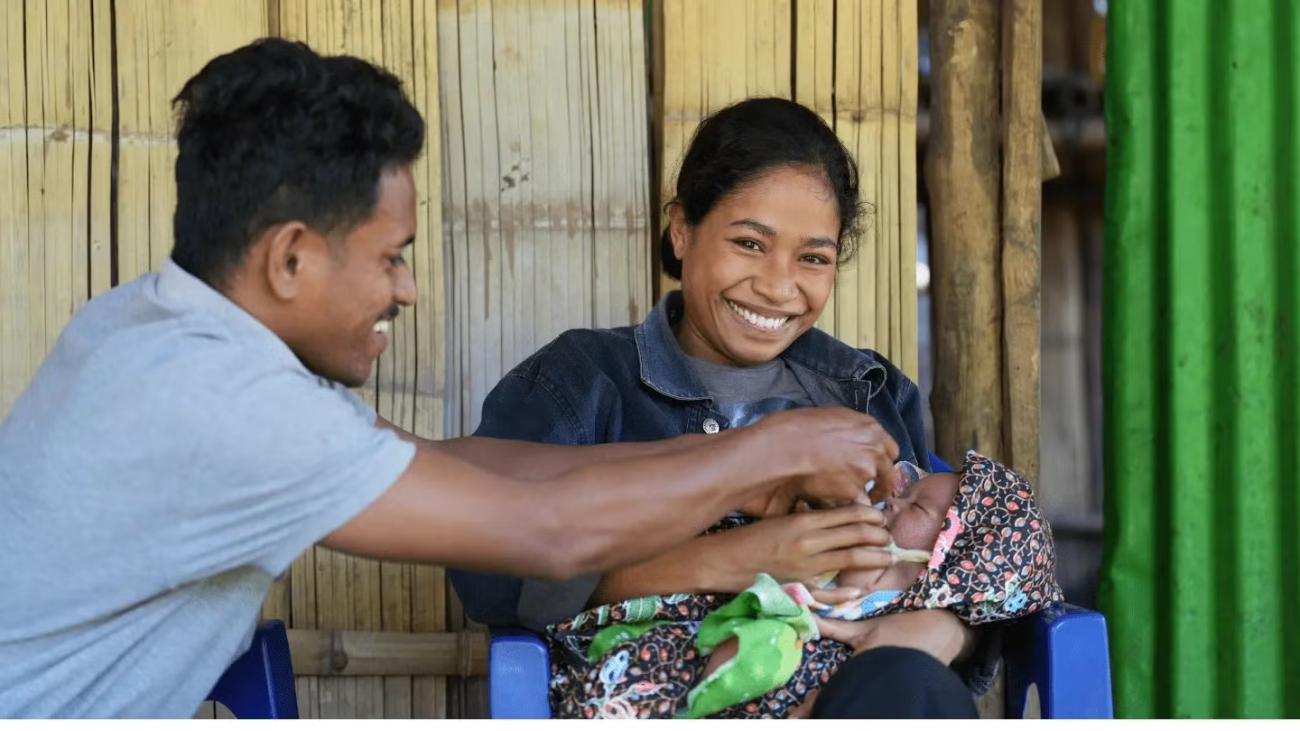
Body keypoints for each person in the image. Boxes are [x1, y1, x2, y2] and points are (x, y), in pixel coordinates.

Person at [0, 41, 900, 718]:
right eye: (391, 257)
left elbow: (472, 467)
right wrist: (768, 452)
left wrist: (760, 453)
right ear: (289, 259)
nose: (408, 287)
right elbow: (543, 533)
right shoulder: (227, 405)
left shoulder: (156, 329)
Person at [451, 97, 981, 718]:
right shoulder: (581, 385)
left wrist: (946, 628)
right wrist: (733, 560)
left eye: (813, 258)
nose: (780, 286)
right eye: (750, 243)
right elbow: (493, 579)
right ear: (682, 229)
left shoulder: (867, 393)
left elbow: (970, 562)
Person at [685, 451, 1063, 718]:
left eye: (916, 506)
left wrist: (946, 629)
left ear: (953, 560)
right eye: (907, 493)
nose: (894, 501)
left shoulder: (899, 590)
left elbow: (853, 590)